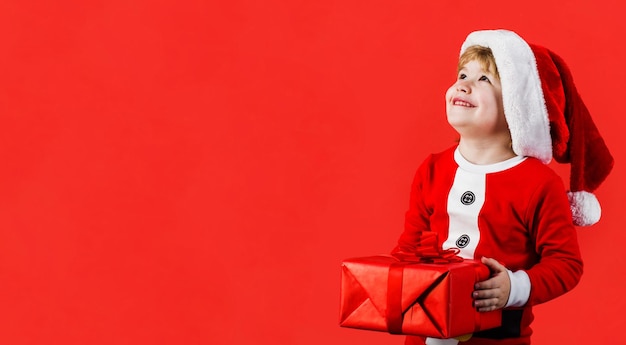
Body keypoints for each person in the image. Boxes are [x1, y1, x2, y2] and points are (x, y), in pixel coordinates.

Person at [392, 29, 613, 345]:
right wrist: (391, 284)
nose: (463, 84)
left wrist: (516, 287)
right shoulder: (432, 169)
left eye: (484, 79)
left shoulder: (539, 184)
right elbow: (409, 247)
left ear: (518, 107)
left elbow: (566, 264)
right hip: (423, 336)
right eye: (463, 73)